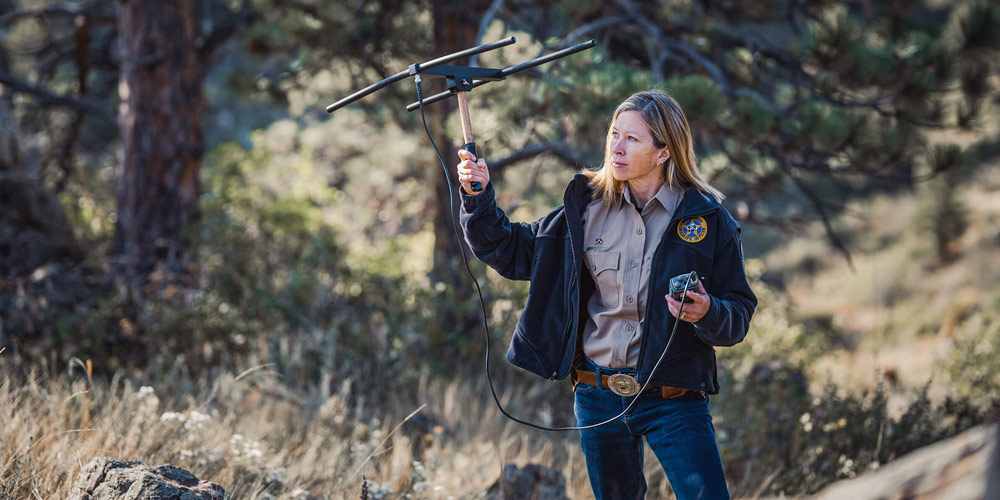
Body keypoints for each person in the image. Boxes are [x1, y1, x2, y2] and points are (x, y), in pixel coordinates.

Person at [456, 89, 757, 500]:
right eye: (614, 133)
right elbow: (513, 252)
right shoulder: (585, 208)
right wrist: (478, 197)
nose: (616, 146)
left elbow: (738, 312)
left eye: (632, 139)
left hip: (674, 400)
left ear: (664, 151)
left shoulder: (707, 219)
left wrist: (707, 311)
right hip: (596, 398)